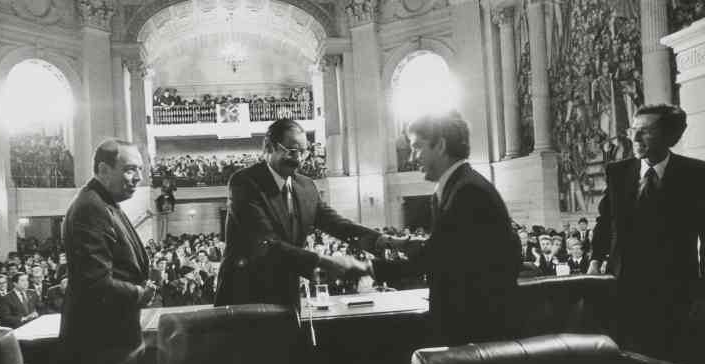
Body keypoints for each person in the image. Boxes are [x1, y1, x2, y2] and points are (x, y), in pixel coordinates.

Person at [371, 111, 521, 347]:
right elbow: (448, 247)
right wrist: (398, 244)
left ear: (439, 145)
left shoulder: (468, 191)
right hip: (464, 325)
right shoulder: (455, 187)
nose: (412, 157)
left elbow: (435, 257)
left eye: (417, 147)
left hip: (479, 331)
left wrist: (368, 269)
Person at [214, 118, 383, 309]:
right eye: (292, 151)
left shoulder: (306, 186)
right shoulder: (245, 182)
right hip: (245, 296)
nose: (299, 159)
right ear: (269, 148)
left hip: (287, 295)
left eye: (304, 152)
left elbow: (336, 224)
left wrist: (382, 240)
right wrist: (323, 262)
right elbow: (265, 244)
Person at [589, 103, 705, 361]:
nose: (635, 138)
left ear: (671, 136)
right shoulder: (617, 172)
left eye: (646, 131)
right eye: (633, 129)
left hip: (674, 291)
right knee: (626, 361)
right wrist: (595, 260)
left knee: (669, 362)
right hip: (621, 288)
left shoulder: (697, 175)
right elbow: (605, 221)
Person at [59, 139, 156, 364]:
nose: (138, 177)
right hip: (100, 347)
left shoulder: (105, 202)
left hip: (114, 341)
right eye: (129, 169)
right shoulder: (92, 207)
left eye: (139, 169)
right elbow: (96, 283)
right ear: (103, 169)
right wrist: (140, 293)